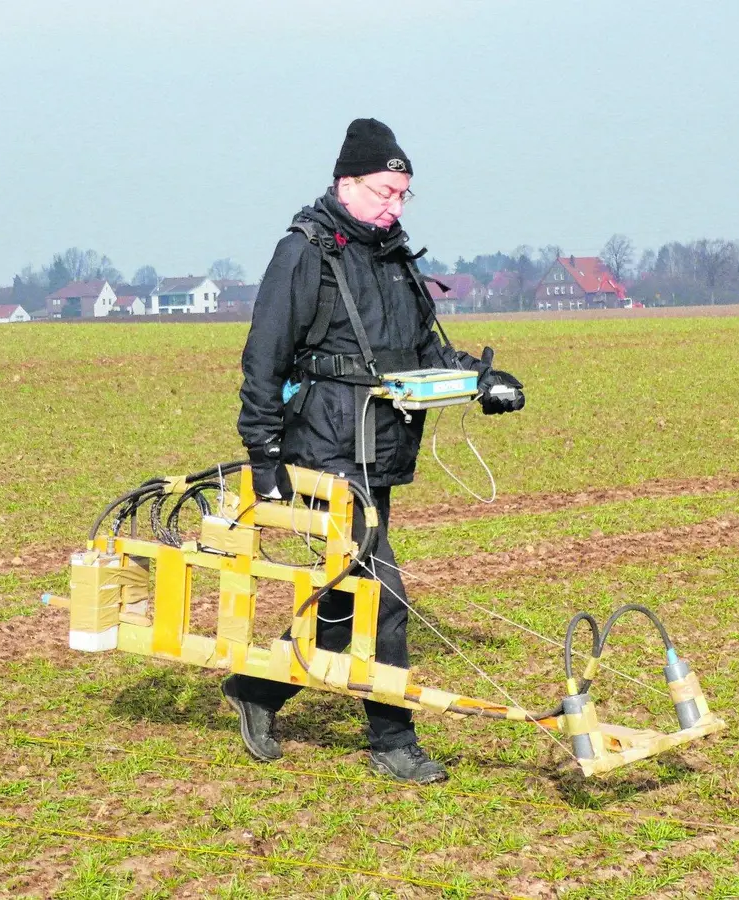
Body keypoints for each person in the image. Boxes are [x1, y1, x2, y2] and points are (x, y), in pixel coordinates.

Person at [220, 118, 525, 783]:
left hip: (377, 447)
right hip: (320, 449)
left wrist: (482, 379)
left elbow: (426, 352)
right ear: (346, 183)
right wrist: (263, 454)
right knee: (383, 594)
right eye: (385, 191)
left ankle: (257, 688)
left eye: (403, 194)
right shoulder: (304, 252)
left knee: (342, 597)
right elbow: (262, 357)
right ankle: (394, 740)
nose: (394, 205)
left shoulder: (393, 258)